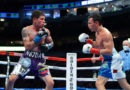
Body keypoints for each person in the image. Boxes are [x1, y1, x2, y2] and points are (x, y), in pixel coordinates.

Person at [78, 13, 130, 90]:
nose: (88, 25)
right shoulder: (97, 33)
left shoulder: (105, 34)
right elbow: (97, 44)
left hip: (112, 60)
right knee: (124, 85)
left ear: (96, 23)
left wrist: (92, 50)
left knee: (99, 83)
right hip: (111, 60)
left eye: (90, 23)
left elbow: (109, 51)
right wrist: (88, 41)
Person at [6, 10, 54, 90]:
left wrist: (47, 46)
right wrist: (38, 38)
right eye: (41, 19)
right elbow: (27, 46)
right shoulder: (26, 30)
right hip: (27, 60)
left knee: (50, 83)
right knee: (11, 80)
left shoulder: (46, 31)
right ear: (34, 19)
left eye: (44, 19)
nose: (43, 21)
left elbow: (52, 43)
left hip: (40, 61)